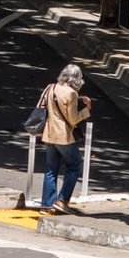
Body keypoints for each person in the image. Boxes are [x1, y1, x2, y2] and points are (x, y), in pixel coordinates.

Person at [38, 64, 92, 213]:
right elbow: (73, 119)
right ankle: (62, 200)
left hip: (49, 133)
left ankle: (46, 204)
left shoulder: (51, 87)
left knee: (50, 169)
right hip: (64, 135)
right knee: (75, 164)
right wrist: (87, 109)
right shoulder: (72, 94)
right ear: (77, 78)